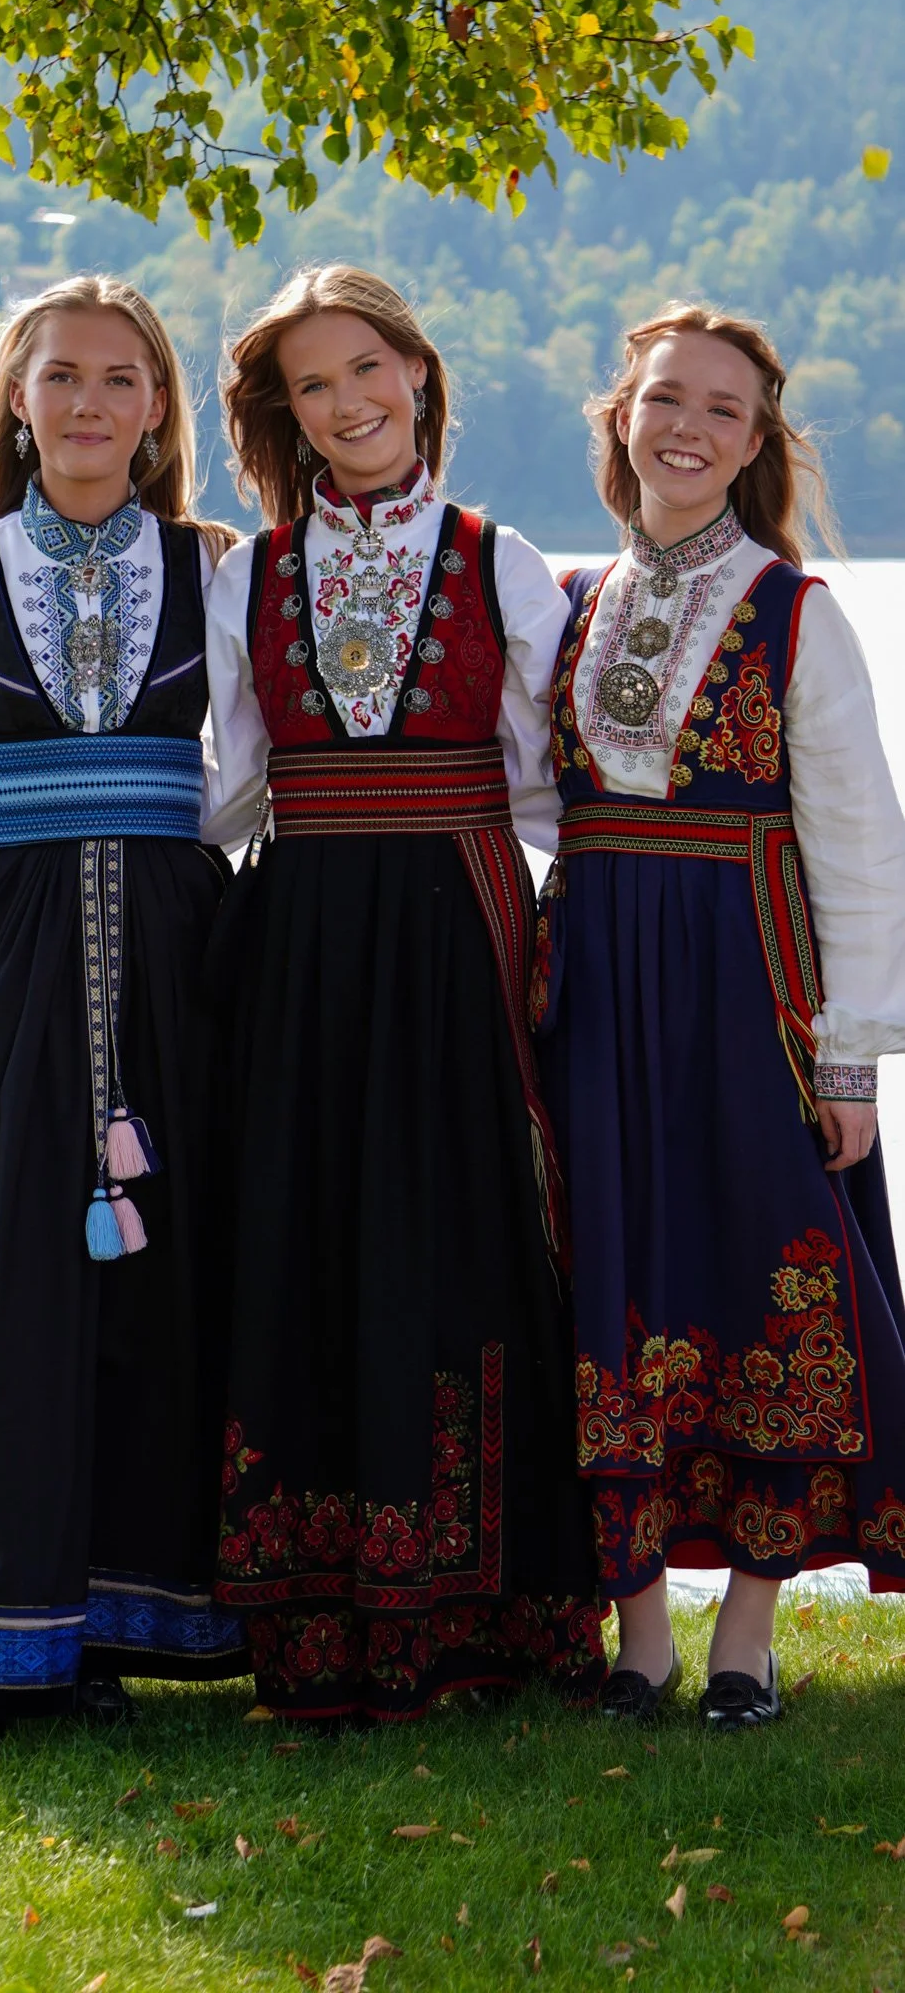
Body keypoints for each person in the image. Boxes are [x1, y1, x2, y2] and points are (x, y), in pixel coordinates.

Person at [200, 263, 604, 1726]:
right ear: (286, 414)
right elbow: (229, 791)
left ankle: (486, 1618)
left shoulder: (503, 556)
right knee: (302, 1233)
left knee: (466, 1232)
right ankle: (315, 1629)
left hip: (457, 920)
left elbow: (554, 784)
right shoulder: (247, 571)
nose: (349, 400)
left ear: (419, 373)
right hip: (302, 927)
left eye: (366, 367)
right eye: (313, 383)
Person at [0, 274, 247, 1744]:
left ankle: (125, 1619)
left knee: (162, 1284)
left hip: (170, 951)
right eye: (62, 377)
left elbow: (265, 763)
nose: (89, 403)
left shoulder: (213, 569)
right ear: (16, 403)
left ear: (156, 413)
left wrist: (180, 854)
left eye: (120, 380)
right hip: (6, 950)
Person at [533, 300, 905, 1728]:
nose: (687, 428)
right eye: (665, 399)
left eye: (723, 412)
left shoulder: (793, 613)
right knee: (609, 1270)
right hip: (597, 979)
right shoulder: (564, 600)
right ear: (620, 413)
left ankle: (745, 1631)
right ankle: (637, 1632)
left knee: (761, 1273)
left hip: (746, 984)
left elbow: (862, 850)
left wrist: (851, 1058)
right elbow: (525, 790)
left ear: (754, 445)